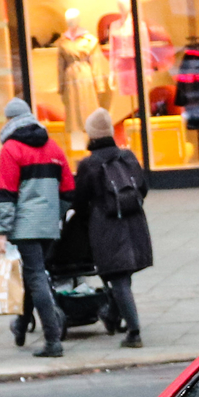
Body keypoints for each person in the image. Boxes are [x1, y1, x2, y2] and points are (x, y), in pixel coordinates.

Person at [0, 97, 75, 357]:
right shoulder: (53, 147)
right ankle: (20, 324)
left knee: (37, 278)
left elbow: (6, 194)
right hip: (49, 225)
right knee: (34, 273)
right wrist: (53, 215)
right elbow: (69, 190)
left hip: (25, 226)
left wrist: (0, 233)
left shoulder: (11, 149)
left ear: (10, 121)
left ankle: (53, 340)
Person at [75, 107, 151, 347]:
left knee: (118, 278)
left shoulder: (89, 164)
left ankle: (134, 331)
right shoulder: (128, 157)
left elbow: (79, 199)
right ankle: (112, 314)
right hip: (134, 223)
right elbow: (143, 188)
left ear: (91, 134)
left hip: (105, 224)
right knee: (123, 275)